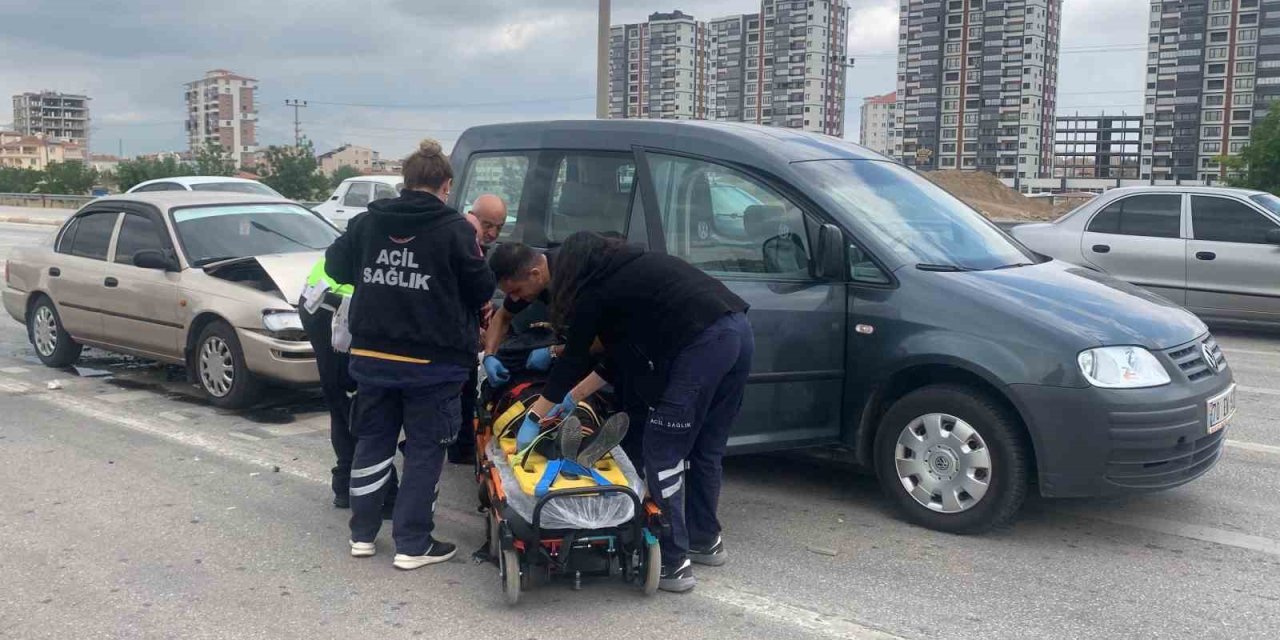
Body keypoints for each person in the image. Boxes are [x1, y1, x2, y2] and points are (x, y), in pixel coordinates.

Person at [519, 231, 753, 594]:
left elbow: (573, 359)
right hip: (737, 330)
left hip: (704, 345)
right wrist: (575, 396)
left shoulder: (596, 291)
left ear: (573, 270)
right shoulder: (637, 273)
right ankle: (705, 540)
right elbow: (618, 358)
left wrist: (536, 416)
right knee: (705, 448)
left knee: (662, 452)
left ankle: (673, 563)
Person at [325, 139, 495, 570]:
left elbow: (335, 266)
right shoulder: (455, 229)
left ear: (405, 181)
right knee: (423, 452)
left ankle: (362, 534)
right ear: (446, 185)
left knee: (372, 443)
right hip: (433, 364)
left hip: (371, 357)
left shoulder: (367, 223)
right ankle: (412, 543)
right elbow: (479, 287)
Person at [298, 258, 399, 512]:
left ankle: (346, 484)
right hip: (344, 311)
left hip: (320, 301)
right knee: (364, 405)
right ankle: (379, 493)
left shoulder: (372, 227)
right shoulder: (407, 233)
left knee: (342, 401)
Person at [449, 194, 509, 464]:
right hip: (455, 338)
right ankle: (457, 447)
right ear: (472, 216)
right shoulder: (460, 245)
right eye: (487, 225)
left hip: (468, 336)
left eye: (500, 226)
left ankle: (461, 444)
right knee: (458, 392)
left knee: (466, 390)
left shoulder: (478, 248)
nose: (493, 233)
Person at [480, 242, 560, 387]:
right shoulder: (534, 278)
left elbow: (603, 337)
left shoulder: (572, 279)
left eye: (516, 291)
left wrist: (554, 352)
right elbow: (502, 316)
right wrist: (489, 355)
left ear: (535, 274)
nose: (514, 299)